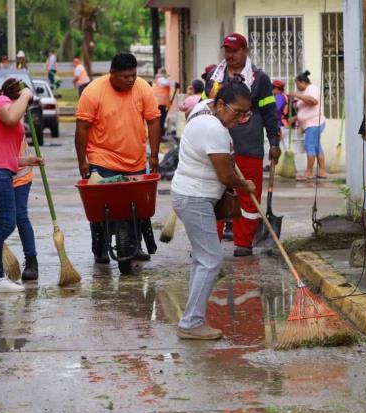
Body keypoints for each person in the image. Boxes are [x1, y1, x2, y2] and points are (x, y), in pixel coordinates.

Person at [171, 80, 255, 339]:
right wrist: (245, 184)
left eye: (246, 114)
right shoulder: (213, 129)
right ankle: (191, 323)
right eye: (236, 112)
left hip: (189, 195)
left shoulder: (203, 108)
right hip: (194, 199)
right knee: (211, 261)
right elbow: (226, 177)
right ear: (219, 104)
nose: (240, 119)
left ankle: (192, 319)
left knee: (202, 260)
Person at [75, 52, 162, 264]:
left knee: (138, 206)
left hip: (135, 160)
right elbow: (82, 128)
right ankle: (100, 248)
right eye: (125, 76)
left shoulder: (142, 88)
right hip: (102, 158)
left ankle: (135, 245)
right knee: (100, 207)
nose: (131, 80)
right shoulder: (93, 92)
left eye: (133, 75)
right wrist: (82, 160)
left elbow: (153, 121)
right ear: (112, 73)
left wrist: (153, 154)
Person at [203, 33, 280, 257]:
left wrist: (274, 142)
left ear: (245, 51)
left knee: (247, 194)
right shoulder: (213, 77)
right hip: (217, 147)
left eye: (235, 50)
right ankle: (211, 243)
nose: (230, 54)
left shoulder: (260, 79)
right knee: (214, 195)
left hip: (249, 146)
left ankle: (244, 243)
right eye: (227, 49)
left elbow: (269, 113)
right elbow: (204, 107)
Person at [0, 79, 44, 292]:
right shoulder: (0, 102)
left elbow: (2, 150)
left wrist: (26, 161)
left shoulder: (8, 108)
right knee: (6, 223)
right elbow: (12, 116)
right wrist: (26, 95)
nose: (24, 112)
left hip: (3, 170)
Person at [291, 70, 327, 180]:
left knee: (309, 146)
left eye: (297, 85)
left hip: (314, 123)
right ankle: (322, 171)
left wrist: (297, 95)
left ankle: (309, 172)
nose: (297, 88)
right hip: (311, 124)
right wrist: (296, 118)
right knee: (316, 147)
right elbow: (306, 110)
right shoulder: (307, 91)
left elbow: (313, 101)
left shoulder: (312, 89)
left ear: (302, 82)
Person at [12, 138, 38, 281]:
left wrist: (29, 161)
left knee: (20, 216)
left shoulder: (12, 116)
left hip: (20, 175)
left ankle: (31, 261)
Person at [154, 68, 173, 134]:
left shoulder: (158, 80)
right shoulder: (161, 79)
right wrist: (171, 81)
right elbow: (168, 83)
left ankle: (160, 133)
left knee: (161, 119)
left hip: (160, 103)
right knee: (162, 119)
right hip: (161, 103)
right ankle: (161, 134)